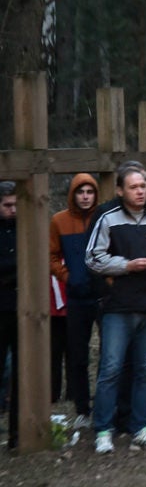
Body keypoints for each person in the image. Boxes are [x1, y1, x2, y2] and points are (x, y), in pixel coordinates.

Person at [86, 166, 146, 453]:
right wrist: (127, 266)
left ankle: (139, 427)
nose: (140, 191)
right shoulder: (107, 217)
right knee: (111, 368)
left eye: (143, 186)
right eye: (133, 187)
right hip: (118, 304)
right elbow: (93, 258)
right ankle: (103, 429)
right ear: (120, 190)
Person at [48, 174, 99, 430]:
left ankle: (103, 406)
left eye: (90, 191)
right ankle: (82, 409)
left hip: (102, 295)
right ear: (73, 195)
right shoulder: (59, 221)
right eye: (81, 192)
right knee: (77, 354)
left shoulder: (103, 217)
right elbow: (52, 255)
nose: (86, 196)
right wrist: (67, 277)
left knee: (109, 354)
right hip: (77, 297)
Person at [0, 182, 17, 447]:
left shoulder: (26, 229)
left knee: (22, 373)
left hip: (22, 309)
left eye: (16, 204)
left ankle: (18, 433)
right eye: (7, 205)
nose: (13, 210)